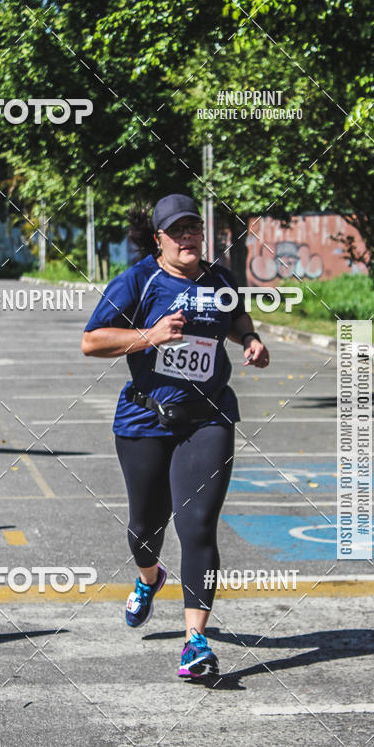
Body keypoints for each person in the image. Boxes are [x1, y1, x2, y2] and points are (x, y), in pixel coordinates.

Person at [81, 194, 270, 679]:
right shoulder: (139, 280)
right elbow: (92, 340)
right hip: (145, 419)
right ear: (159, 238)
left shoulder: (219, 279)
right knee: (146, 529)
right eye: (177, 231)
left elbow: (236, 317)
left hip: (208, 418)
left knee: (197, 526)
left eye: (194, 230)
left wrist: (249, 339)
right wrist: (150, 335)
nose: (188, 238)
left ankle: (195, 642)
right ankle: (149, 578)